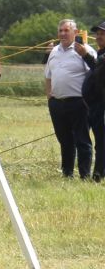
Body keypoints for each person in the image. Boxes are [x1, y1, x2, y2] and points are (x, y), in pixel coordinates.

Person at [44, 18, 94, 179]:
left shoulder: (84, 51)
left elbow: (95, 74)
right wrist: (50, 98)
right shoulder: (54, 52)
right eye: (61, 31)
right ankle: (67, 173)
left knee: (82, 140)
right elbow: (48, 76)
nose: (63, 34)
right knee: (65, 140)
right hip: (58, 103)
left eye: (67, 30)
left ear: (76, 32)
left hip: (79, 102)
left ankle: (85, 175)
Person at [87, 22, 105, 181]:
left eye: (102, 33)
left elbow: (98, 66)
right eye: (97, 33)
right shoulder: (100, 53)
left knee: (102, 141)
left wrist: (86, 56)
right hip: (96, 105)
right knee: (100, 140)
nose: (98, 36)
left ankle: (98, 174)